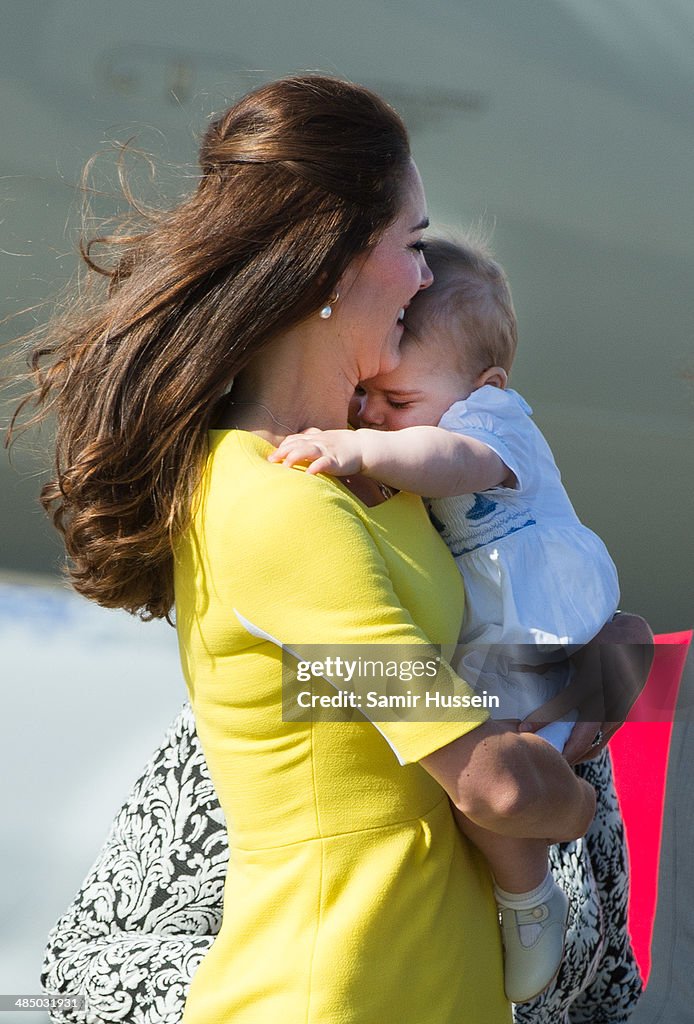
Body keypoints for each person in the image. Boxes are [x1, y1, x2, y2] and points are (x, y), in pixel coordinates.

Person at [9, 75, 649, 1023]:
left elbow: (360, 701)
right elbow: (494, 785)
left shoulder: (374, 484)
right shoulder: (279, 509)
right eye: (412, 242)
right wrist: (573, 797)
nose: (427, 276)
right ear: (339, 270)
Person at [269, 234, 622, 1002]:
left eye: (397, 402)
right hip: (503, 639)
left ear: (485, 383)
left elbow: (448, 458)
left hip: (533, 620)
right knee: (506, 764)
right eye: (367, 395)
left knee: (499, 782)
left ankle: (526, 898)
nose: (375, 415)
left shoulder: (490, 422)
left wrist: (357, 448)